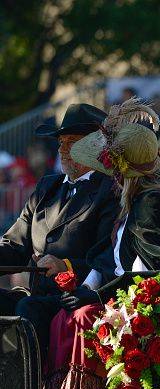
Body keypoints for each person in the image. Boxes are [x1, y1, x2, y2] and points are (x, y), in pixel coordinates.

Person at [42, 99, 160, 389]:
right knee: (62, 316)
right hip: (123, 293)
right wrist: (89, 286)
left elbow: (154, 269)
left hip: (150, 304)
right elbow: (110, 254)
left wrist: (96, 295)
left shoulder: (152, 201)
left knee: (82, 317)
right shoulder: (139, 196)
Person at [0, 104, 118, 358]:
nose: (63, 150)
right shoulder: (47, 186)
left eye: (72, 142)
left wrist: (65, 265)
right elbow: (15, 244)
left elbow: (107, 257)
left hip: (74, 297)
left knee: (27, 307)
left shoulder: (109, 191)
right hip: (38, 294)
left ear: (94, 147)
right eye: (61, 142)